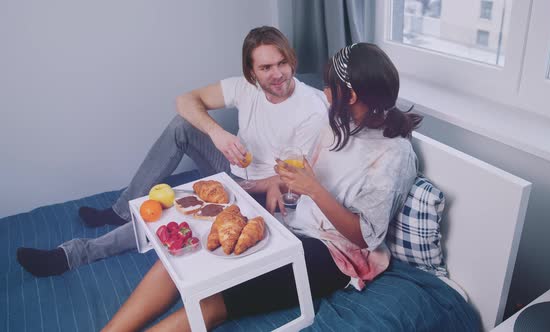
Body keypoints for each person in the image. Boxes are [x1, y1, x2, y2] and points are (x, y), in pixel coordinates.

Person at [102, 43, 423, 331]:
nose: (325, 93)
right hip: (293, 223)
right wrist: (273, 184)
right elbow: (310, 177)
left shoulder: (393, 155)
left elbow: (365, 236)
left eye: (330, 86)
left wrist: (313, 190)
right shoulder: (341, 123)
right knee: (180, 261)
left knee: (211, 301)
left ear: (351, 96)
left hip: (335, 254)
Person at [16, 26, 328, 277]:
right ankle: (121, 209)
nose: (277, 74)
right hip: (233, 169)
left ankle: (75, 254)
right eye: (266, 67)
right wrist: (217, 133)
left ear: (292, 60)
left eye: (282, 63)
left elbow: (299, 180)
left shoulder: (311, 107)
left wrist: (244, 186)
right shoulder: (245, 87)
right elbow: (184, 100)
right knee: (182, 124)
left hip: (262, 192)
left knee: (175, 212)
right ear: (252, 72)